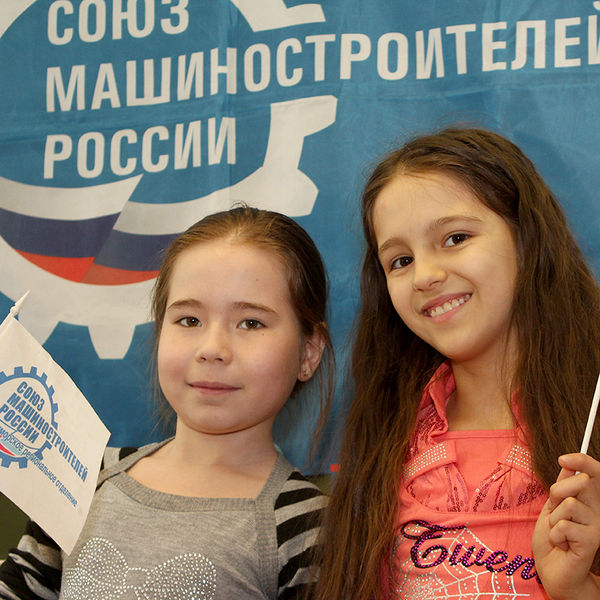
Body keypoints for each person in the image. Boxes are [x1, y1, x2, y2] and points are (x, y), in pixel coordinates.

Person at [315, 127, 600, 600]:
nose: (425, 276)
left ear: (527, 239)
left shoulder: (588, 419)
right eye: (400, 260)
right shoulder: (388, 437)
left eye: (455, 237)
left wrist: (576, 589)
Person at [0, 206, 334, 600]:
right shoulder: (86, 475)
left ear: (309, 352)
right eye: (189, 320)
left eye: (251, 323)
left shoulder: (307, 524)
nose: (212, 348)